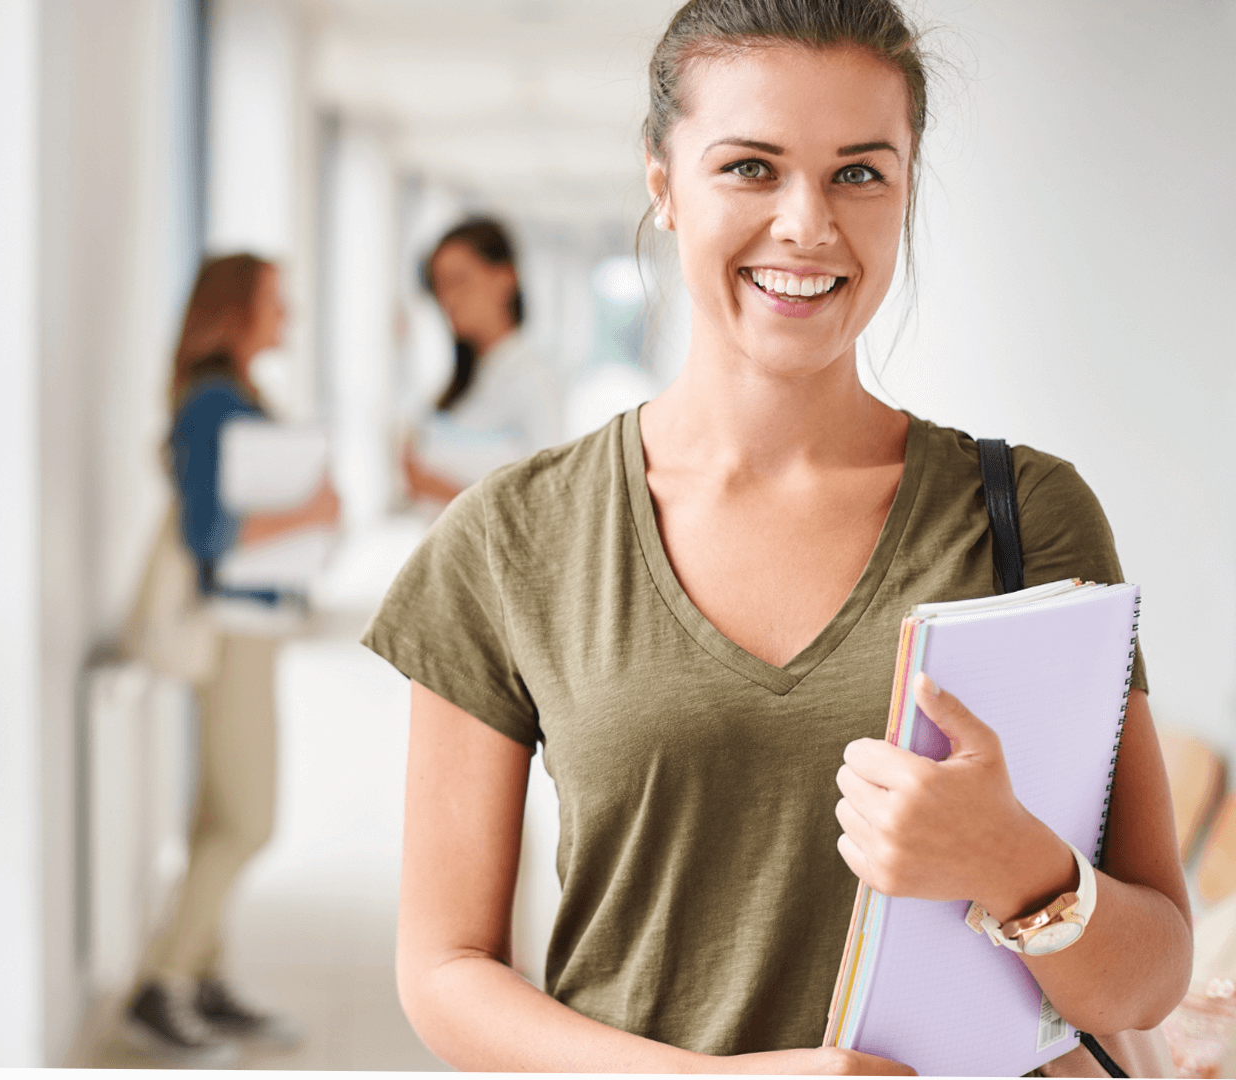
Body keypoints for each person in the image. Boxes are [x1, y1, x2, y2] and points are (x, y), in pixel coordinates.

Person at [362, 0, 1191, 1072]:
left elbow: (1150, 969)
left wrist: (1014, 862)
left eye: (858, 172)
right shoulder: (511, 539)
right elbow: (442, 971)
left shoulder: (1026, 514)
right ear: (662, 184)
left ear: (904, 189)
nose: (806, 223)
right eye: (749, 168)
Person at [125, 254, 340, 1059]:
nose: (288, 315)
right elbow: (209, 535)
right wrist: (308, 510)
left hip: (254, 624)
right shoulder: (216, 401)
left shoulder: (239, 396)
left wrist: (316, 518)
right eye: (276, 302)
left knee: (220, 812)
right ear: (236, 311)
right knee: (249, 820)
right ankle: (164, 982)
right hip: (231, 629)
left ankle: (204, 981)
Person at [402, 217, 561, 508]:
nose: (448, 298)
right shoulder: (461, 381)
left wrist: (434, 486)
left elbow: (543, 507)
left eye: (459, 281)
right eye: (440, 286)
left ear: (505, 279)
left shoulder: (533, 380)